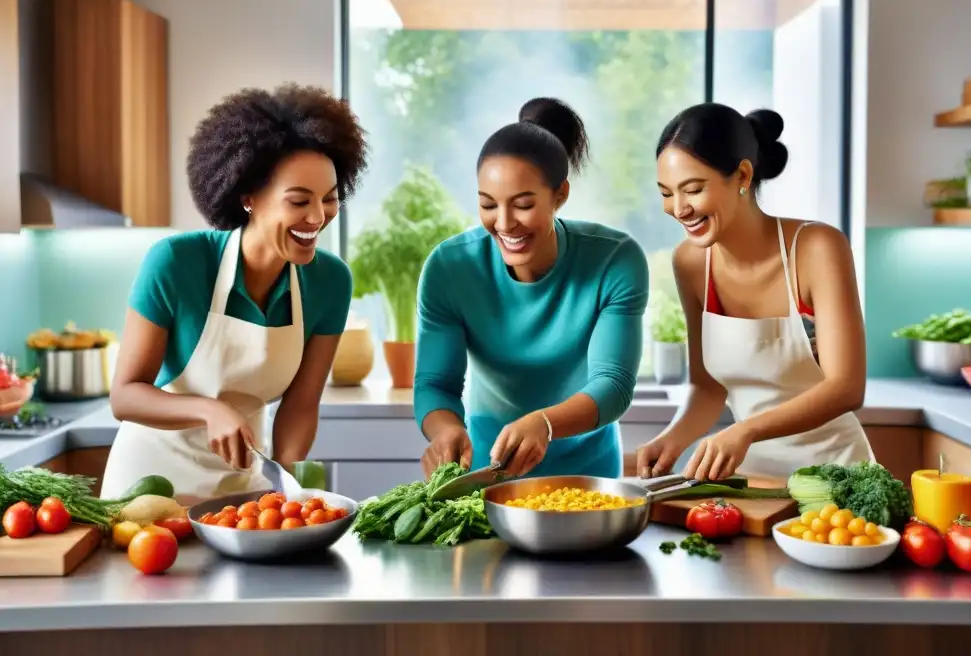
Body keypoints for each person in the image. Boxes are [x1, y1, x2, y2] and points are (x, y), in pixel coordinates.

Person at [100, 84, 368, 504]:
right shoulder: (177, 262)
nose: (317, 217)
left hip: (244, 486)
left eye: (329, 199)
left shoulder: (330, 281)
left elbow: (300, 405)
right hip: (148, 492)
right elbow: (126, 395)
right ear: (249, 198)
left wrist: (289, 482)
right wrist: (209, 410)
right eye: (299, 201)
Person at [635, 102, 872, 483]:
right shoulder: (692, 263)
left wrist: (746, 431)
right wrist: (672, 439)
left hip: (837, 480)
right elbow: (707, 387)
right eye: (666, 193)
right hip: (752, 481)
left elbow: (846, 388)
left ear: (742, 175)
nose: (679, 209)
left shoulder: (816, 248)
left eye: (693, 189)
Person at [414, 97, 649, 480]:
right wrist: (446, 431)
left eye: (523, 205)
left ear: (560, 194)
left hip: (588, 476)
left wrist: (546, 423)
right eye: (488, 205)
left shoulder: (615, 260)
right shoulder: (449, 268)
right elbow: (435, 384)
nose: (504, 223)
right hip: (487, 472)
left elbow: (613, 384)